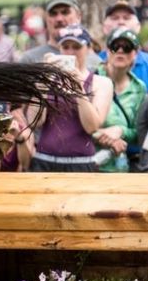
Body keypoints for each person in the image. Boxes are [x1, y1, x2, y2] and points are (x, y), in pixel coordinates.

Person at [26, 25, 113, 172]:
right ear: (59, 50)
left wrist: (78, 87)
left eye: (76, 47)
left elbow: (92, 127)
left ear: (88, 49)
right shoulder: (47, 80)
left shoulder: (101, 82)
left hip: (81, 162)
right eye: (66, 47)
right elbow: (34, 122)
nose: (71, 52)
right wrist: (42, 83)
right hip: (45, 160)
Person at [93, 28, 146, 172]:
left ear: (135, 53)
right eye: (115, 46)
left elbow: (138, 132)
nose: (121, 51)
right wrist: (101, 135)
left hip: (119, 167)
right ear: (108, 50)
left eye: (127, 47)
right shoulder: (91, 78)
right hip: (87, 162)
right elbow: (75, 124)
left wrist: (120, 131)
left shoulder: (139, 88)